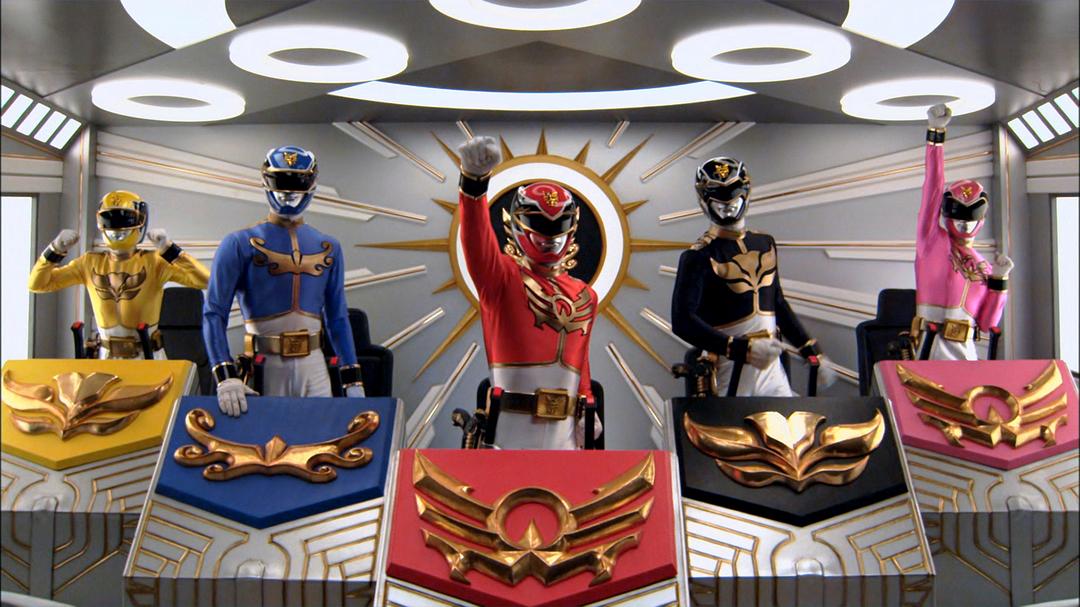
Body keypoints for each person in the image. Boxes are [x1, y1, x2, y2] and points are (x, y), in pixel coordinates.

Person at [457, 136, 599, 449]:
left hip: (565, 433)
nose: (550, 235)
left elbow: (581, 358)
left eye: (559, 223)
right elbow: (477, 241)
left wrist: (587, 400)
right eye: (538, 223)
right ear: (518, 224)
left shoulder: (585, 294)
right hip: (511, 428)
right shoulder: (501, 278)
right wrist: (473, 186)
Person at [202, 145, 364, 418]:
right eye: (281, 182)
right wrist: (225, 374)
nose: (288, 193)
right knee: (266, 440)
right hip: (265, 365)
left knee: (321, 436)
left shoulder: (330, 247)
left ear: (311, 185)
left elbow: (337, 318)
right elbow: (213, 312)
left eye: (297, 183)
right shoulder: (238, 243)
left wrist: (352, 379)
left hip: (314, 364)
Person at [671, 157, 835, 396]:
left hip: (771, 365)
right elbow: (682, 321)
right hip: (726, 368)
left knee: (791, 417)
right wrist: (739, 348)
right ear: (704, 200)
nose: (727, 204)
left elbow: (777, 303)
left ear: (746, 192)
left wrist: (810, 350)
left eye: (733, 194)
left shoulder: (764, 243)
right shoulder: (698, 256)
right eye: (718, 197)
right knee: (735, 419)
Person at [29, 190, 209, 359]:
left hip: (147, 355)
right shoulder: (89, 263)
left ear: (140, 221)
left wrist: (171, 251)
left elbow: (207, 281)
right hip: (106, 355)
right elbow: (37, 284)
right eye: (109, 220)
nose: (117, 229)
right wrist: (54, 250)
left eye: (126, 220)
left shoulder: (155, 262)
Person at [915, 103, 1011, 360]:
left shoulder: (983, 267)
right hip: (930, 348)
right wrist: (936, 137)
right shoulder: (932, 242)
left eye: (971, 217)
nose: (964, 224)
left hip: (966, 353)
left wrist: (1000, 281)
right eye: (957, 217)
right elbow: (932, 189)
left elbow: (987, 323)